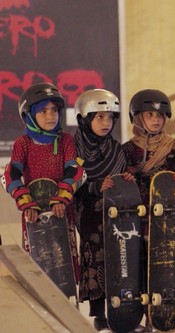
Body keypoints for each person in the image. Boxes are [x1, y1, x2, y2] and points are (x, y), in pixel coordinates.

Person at [122, 89, 175, 331]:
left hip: (168, 217)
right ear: (137, 118)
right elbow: (124, 181)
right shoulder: (127, 150)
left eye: (160, 115)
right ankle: (146, 313)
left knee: (173, 261)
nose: (156, 120)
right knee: (143, 262)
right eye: (149, 114)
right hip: (139, 217)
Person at [1, 82, 85, 291]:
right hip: (34, 214)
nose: (51, 116)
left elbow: (75, 170)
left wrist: (62, 197)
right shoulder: (23, 143)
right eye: (43, 111)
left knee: (63, 262)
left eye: (54, 110)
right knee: (38, 262)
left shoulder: (65, 140)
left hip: (61, 210)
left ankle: (68, 304)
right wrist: (25, 201)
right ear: (29, 116)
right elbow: (10, 175)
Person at [73, 89, 134, 332]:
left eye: (110, 118)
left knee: (120, 258)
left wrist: (126, 178)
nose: (106, 123)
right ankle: (99, 315)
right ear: (85, 119)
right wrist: (96, 186)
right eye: (99, 117)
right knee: (95, 259)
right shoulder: (74, 147)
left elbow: (121, 178)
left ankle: (122, 311)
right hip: (90, 215)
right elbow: (71, 182)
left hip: (116, 215)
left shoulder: (117, 149)